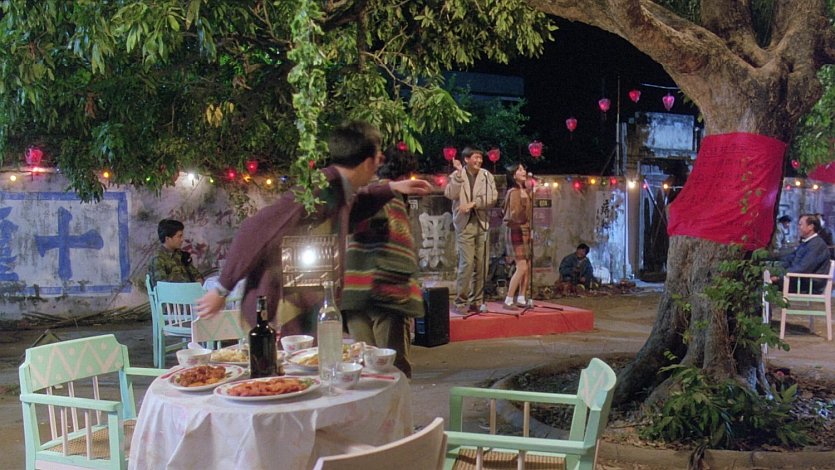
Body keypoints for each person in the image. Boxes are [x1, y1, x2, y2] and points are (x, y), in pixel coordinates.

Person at [196, 121, 432, 332]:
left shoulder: (338, 190)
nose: (379, 163)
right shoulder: (321, 189)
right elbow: (255, 229)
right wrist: (222, 289)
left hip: (303, 308)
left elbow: (355, 209)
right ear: (368, 162)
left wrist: (391, 188)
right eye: (378, 157)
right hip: (281, 311)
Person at [341, 143, 424, 377]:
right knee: (392, 369)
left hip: (355, 294)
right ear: (406, 175)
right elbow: (399, 251)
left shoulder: (371, 193)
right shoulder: (389, 198)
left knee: (365, 368)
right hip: (387, 295)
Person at [444, 147, 498, 313]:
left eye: (480, 158)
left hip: (482, 223)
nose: (479, 161)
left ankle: (477, 301)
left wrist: (474, 204)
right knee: (466, 263)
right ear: (466, 159)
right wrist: (459, 175)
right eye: (476, 157)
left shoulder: (487, 175)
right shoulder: (457, 175)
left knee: (482, 265)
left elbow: (493, 197)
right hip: (464, 224)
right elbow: (450, 194)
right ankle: (461, 301)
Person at [770, 213, 832, 292]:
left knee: (762, 284)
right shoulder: (806, 243)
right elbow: (790, 259)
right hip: (798, 279)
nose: (798, 227)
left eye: (800, 224)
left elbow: (803, 268)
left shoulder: (816, 245)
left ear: (810, 227)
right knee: (763, 275)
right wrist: (774, 269)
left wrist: (779, 276)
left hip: (808, 284)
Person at [502, 163, 530, 309]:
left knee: (527, 265)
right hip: (516, 229)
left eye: (523, 168)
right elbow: (514, 214)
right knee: (521, 266)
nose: (523, 171)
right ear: (513, 175)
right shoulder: (513, 192)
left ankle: (521, 297)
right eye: (519, 169)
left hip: (525, 230)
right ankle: (508, 299)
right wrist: (524, 201)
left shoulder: (523, 190)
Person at [147, 219, 203, 287]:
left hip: (191, 292)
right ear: (167, 239)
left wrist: (198, 281)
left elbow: (196, 275)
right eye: (179, 236)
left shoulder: (181, 255)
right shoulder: (157, 259)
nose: (182, 239)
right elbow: (161, 287)